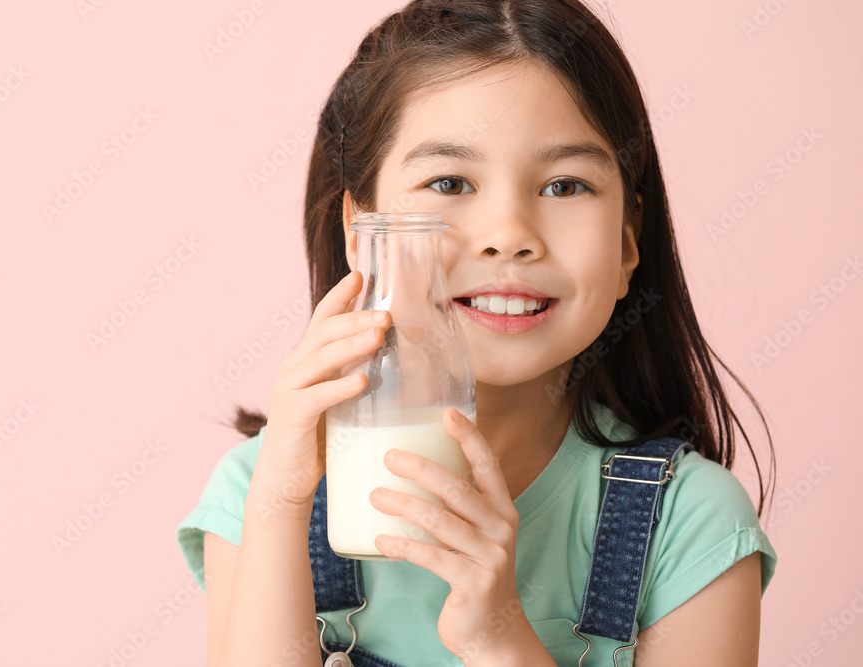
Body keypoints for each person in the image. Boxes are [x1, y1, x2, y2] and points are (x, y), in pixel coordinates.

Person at [178, 1, 778, 664]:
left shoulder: (687, 521)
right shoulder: (261, 489)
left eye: (565, 185)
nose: (509, 236)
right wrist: (278, 502)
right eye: (449, 181)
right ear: (361, 233)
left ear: (628, 245)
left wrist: (501, 638)